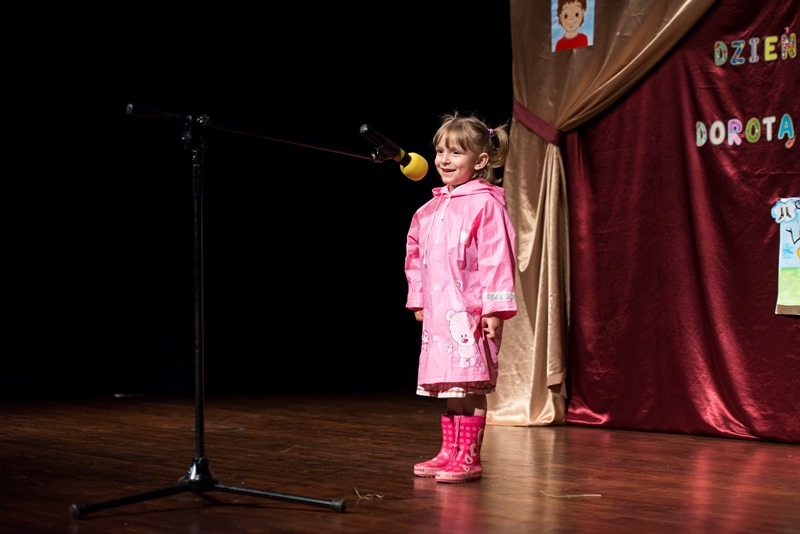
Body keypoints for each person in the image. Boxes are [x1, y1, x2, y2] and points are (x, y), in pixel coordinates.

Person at [404, 111, 517, 483]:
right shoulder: (430, 209)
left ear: (480, 161)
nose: (444, 160)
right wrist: (419, 298)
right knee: (450, 385)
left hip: (471, 312)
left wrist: (494, 308)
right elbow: (415, 256)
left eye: (455, 152)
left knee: (470, 384)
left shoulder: (486, 204)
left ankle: (469, 457)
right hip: (442, 313)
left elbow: (497, 257)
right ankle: (449, 451)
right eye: (440, 151)